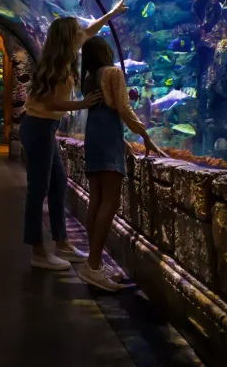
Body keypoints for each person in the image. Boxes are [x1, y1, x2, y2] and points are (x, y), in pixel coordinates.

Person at [21, 0, 129, 271]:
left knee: (58, 184)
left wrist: (112, 13)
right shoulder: (55, 67)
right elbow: (49, 104)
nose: (80, 35)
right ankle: (38, 251)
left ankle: (62, 243)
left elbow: (91, 30)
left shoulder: (66, 56)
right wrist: (81, 104)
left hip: (47, 127)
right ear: (66, 38)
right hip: (38, 126)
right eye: (75, 32)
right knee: (38, 189)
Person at [77, 36, 167, 291]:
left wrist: (124, 144)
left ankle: (92, 264)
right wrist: (145, 136)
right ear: (105, 52)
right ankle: (93, 265)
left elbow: (102, 113)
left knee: (96, 199)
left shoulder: (88, 78)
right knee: (110, 202)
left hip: (94, 136)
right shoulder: (113, 73)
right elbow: (124, 110)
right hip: (107, 138)